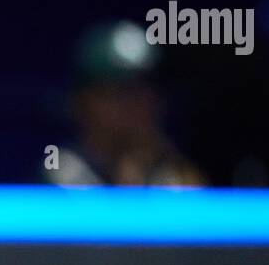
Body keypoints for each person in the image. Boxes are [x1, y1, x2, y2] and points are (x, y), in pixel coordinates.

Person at [44, 20, 205, 187]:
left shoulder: (174, 172)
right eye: (120, 91)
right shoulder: (60, 172)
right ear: (84, 101)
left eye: (144, 92)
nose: (136, 105)